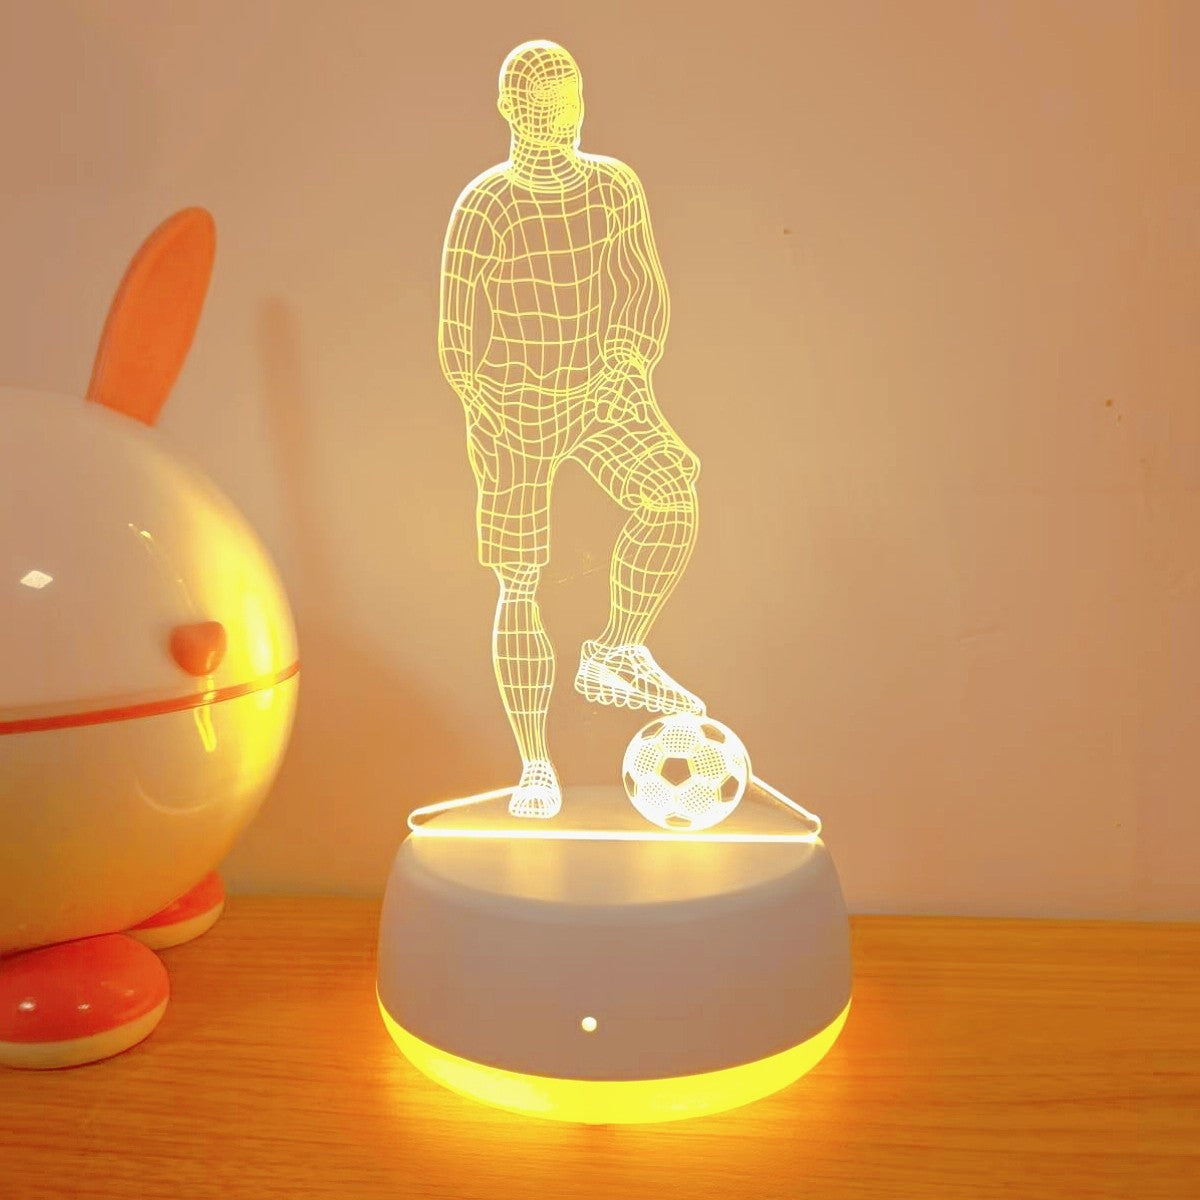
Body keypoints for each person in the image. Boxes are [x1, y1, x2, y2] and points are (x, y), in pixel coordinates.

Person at [439, 40, 704, 818]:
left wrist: (627, 361)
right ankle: (534, 765)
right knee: (520, 579)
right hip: (514, 403)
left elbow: (642, 288)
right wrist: (485, 408)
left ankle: (617, 648)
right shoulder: (485, 204)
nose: (555, 119)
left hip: (602, 388)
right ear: (508, 109)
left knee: (671, 494)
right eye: (538, 106)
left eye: (566, 103)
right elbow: (455, 334)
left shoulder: (613, 186)